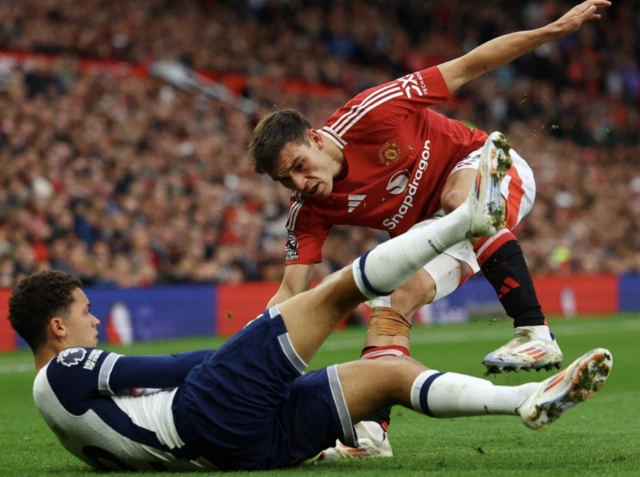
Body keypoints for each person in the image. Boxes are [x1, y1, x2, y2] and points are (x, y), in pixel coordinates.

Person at [9, 152, 612, 472]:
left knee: (385, 378)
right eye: (86, 312)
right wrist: (254, 350)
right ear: (57, 327)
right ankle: (465, 219)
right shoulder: (59, 372)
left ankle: (526, 401)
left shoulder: (60, 411)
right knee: (333, 294)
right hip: (203, 413)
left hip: (231, 451)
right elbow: (168, 368)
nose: (94, 320)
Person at [248, 0, 611, 455]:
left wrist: (553, 31)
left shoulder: (373, 112)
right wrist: (242, 360)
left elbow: (470, 65)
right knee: (391, 303)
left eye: (300, 166)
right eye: (287, 180)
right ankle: (371, 434)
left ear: (316, 139)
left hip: (489, 171)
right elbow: (290, 293)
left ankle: (534, 332)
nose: (301, 184)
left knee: (461, 201)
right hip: (443, 228)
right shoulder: (309, 208)